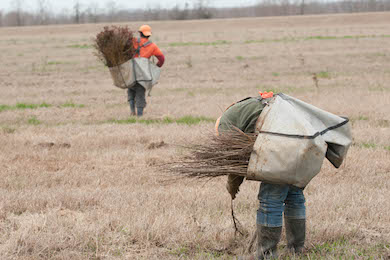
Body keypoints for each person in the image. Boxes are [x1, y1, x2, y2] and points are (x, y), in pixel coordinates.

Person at [217, 92, 306, 259]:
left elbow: (235, 163)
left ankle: (267, 254)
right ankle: (296, 250)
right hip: (299, 134)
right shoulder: (243, 109)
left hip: (278, 138)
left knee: (270, 198)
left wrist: (232, 187)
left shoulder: (224, 130)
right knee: (294, 195)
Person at [128, 25, 165, 117]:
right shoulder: (152, 46)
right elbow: (162, 59)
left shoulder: (132, 41)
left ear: (140, 33)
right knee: (140, 91)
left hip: (131, 70)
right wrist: (156, 67)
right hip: (143, 73)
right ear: (149, 35)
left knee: (131, 90)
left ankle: (132, 111)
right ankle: (139, 116)